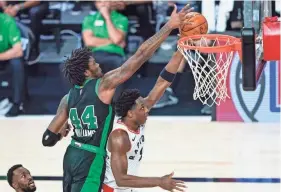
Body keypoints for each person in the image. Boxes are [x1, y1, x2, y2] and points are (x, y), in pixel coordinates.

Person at [41, 4, 193, 192]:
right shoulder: (102, 86)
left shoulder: (67, 97)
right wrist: (169, 26)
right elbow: (140, 55)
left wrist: (61, 132)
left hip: (71, 155)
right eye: (94, 64)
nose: (99, 65)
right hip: (91, 160)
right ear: (87, 72)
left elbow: (48, 139)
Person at [103, 51, 186, 192]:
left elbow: (163, 82)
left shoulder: (136, 119)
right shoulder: (119, 136)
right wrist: (159, 181)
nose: (147, 110)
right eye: (142, 108)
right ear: (130, 113)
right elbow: (120, 179)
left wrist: (180, 51)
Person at [0, 12, 25, 117]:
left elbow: (18, 50)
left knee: (16, 63)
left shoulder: (7, 21)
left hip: (6, 57)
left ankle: (17, 103)